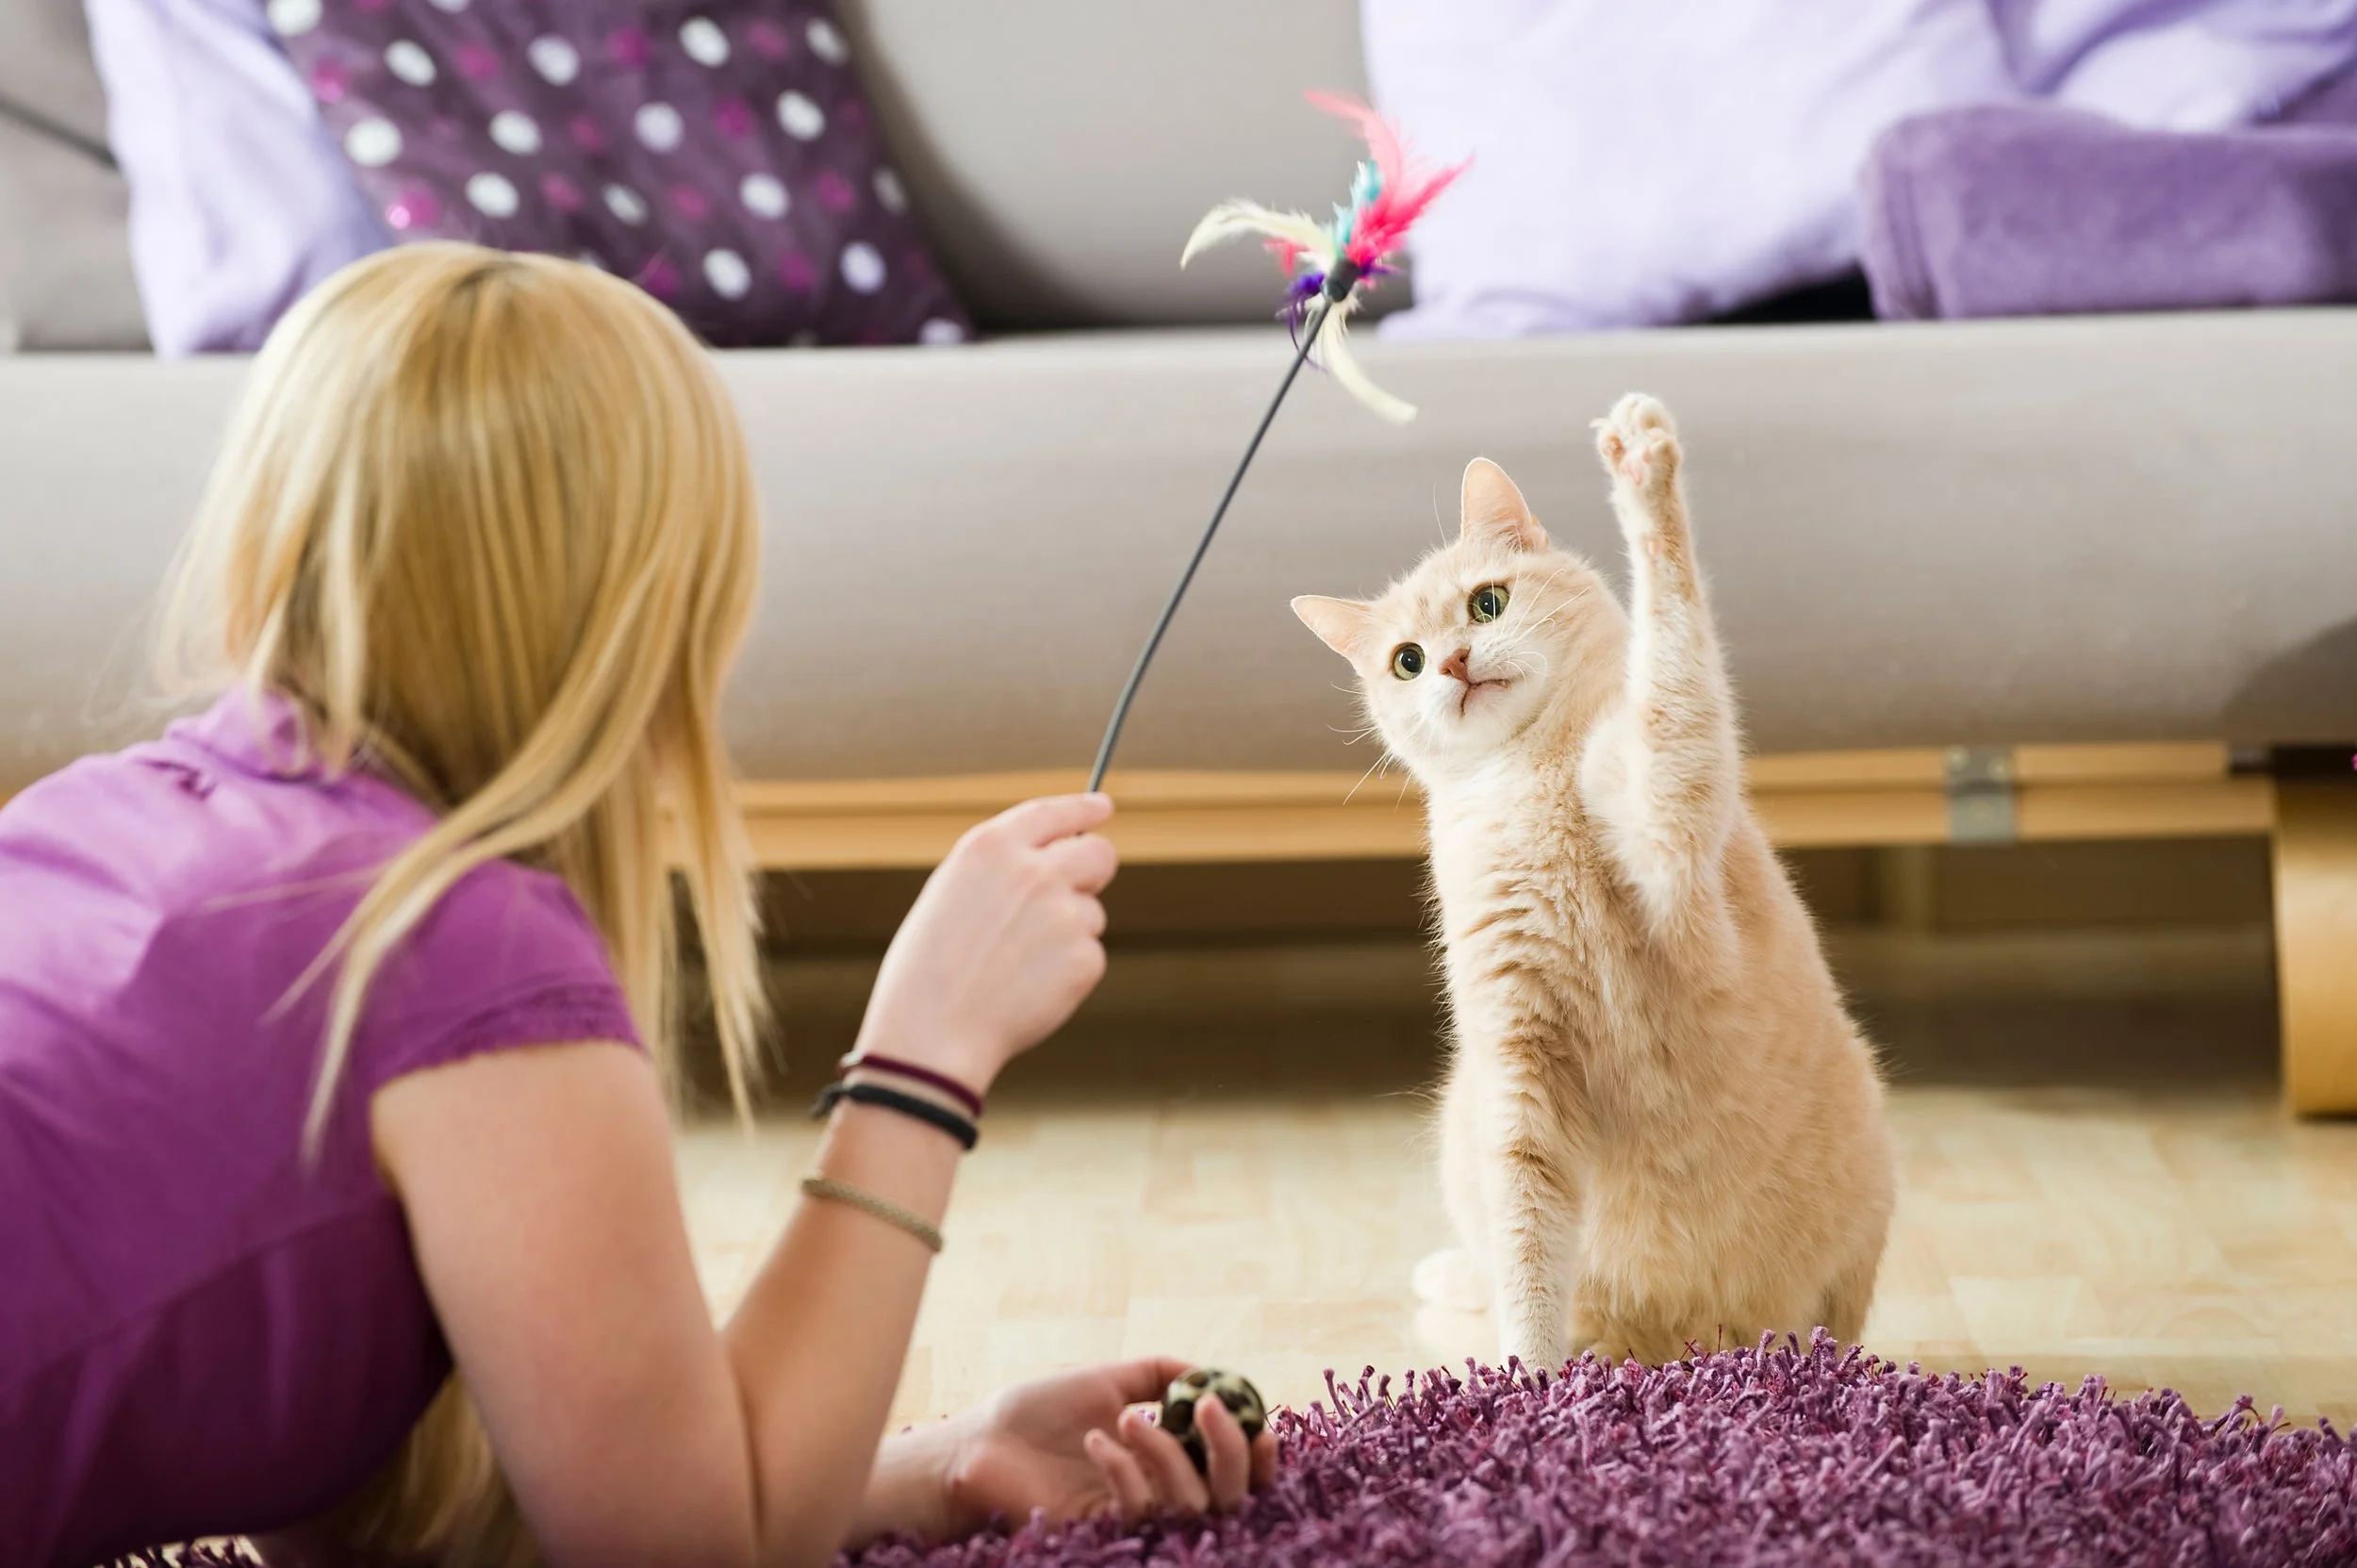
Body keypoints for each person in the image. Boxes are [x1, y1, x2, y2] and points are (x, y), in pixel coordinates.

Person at [0, 242, 1276, 1568]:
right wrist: (924, 1056)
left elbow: (422, 1532)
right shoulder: (460, 958)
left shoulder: (93, 817)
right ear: (650, 608)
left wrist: (945, 1465)